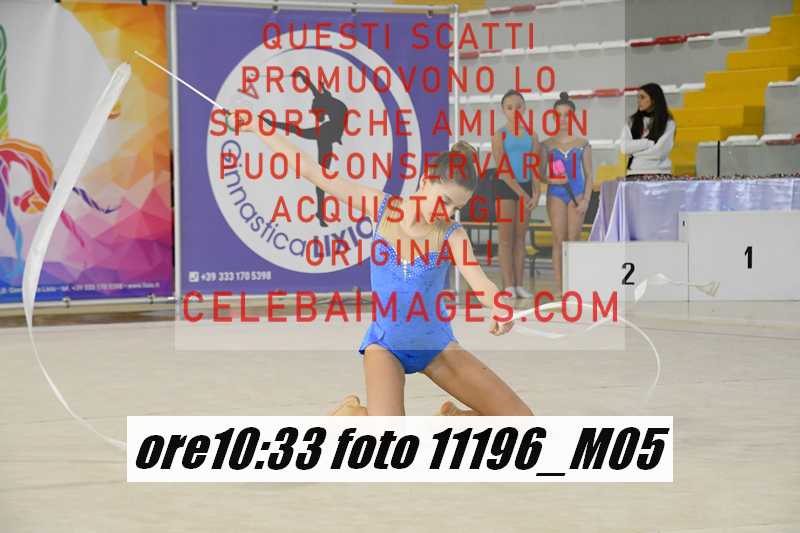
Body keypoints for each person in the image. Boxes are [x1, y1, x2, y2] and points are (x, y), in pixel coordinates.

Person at [241, 119, 534, 417]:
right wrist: (257, 127)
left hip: (436, 347)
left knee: (522, 420)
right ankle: (352, 416)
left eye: (455, 208)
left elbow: (480, 282)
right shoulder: (381, 208)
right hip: (386, 346)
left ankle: (452, 421)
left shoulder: (451, 234)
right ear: (425, 181)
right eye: (444, 201)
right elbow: (313, 172)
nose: (447, 212)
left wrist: (498, 304)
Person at [491, 89, 543, 299]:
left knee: (521, 239)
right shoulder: (499, 135)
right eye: (510, 107)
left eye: (519, 107)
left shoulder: (532, 135)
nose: (515, 111)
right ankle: (508, 286)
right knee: (506, 240)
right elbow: (503, 170)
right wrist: (522, 193)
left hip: (526, 189)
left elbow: (534, 167)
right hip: (506, 188)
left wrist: (537, 192)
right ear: (504, 110)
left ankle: (520, 285)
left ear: (525, 108)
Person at [542, 92, 593, 296]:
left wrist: (586, 200)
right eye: (559, 115)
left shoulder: (583, 143)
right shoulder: (546, 145)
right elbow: (540, 175)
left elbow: (589, 175)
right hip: (556, 194)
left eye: (567, 115)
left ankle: (575, 285)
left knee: (573, 239)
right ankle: (560, 287)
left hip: (577, 194)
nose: (563, 119)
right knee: (559, 240)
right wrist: (553, 180)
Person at [620, 83, 676, 177]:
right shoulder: (631, 121)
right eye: (638, 97)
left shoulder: (668, 123)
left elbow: (659, 152)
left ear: (654, 99)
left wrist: (634, 153)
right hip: (634, 173)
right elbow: (624, 148)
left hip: (660, 173)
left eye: (642, 97)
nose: (638, 101)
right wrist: (649, 143)